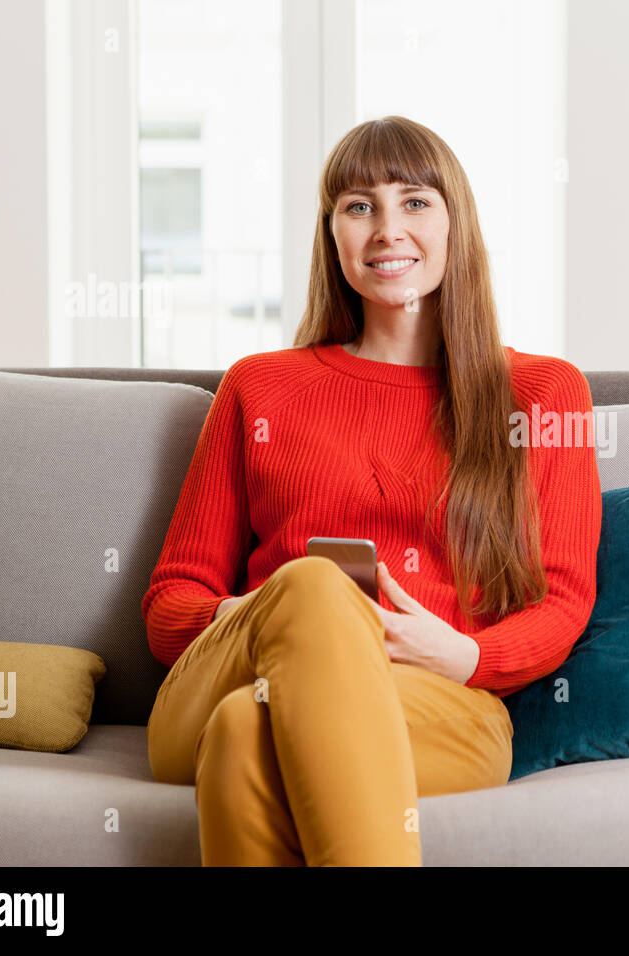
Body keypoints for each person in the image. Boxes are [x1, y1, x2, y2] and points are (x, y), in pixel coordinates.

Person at [141, 115, 603, 866]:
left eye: (415, 202)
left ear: (457, 224)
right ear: (332, 236)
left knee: (242, 735)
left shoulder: (546, 394)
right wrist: (272, 615)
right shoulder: (258, 387)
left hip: (441, 701)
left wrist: (466, 656)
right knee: (315, 589)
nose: (387, 229)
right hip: (234, 674)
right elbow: (169, 610)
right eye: (359, 207)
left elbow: (563, 599)